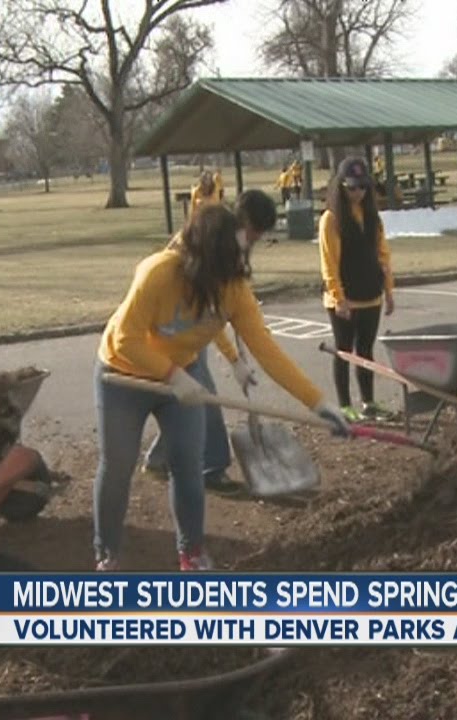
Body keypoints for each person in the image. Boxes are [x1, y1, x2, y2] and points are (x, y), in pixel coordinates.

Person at [94, 204, 350, 572]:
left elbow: (269, 352)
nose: (228, 278)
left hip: (180, 371)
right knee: (117, 465)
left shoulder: (234, 288)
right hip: (122, 376)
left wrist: (320, 403)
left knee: (187, 463)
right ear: (199, 259)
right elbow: (125, 340)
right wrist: (173, 377)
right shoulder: (158, 273)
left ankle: (191, 552)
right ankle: (107, 553)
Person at [142, 190, 280, 492]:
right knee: (201, 395)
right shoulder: (204, 240)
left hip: (193, 324)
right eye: (256, 231)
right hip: (174, 328)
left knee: (190, 397)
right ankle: (212, 466)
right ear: (243, 221)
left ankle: (159, 458)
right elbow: (206, 313)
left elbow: (224, 303)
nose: (257, 238)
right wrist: (233, 359)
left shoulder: (236, 239)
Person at [319, 157, 396, 422]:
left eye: (363, 187)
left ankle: (369, 402)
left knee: (366, 352)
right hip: (345, 299)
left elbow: (383, 256)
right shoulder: (331, 219)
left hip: (370, 296)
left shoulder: (372, 217)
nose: (358, 193)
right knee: (343, 351)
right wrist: (339, 298)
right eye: (352, 188)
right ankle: (344, 405)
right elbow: (329, 263)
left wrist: (389, 291)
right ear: (340, 187)